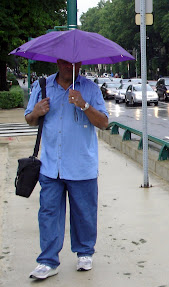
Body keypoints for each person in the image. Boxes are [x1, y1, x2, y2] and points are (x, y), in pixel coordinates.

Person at [25, 59, 109, 280]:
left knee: (84, 213)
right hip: (51, 165)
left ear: (80, 64)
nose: (68, 67)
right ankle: (47, 261)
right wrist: (36, 112)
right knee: (48, 213)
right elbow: (29, 120)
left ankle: (85, 252)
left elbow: (104, 123)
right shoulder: (42, 87)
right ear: (58, 62)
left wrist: (84, 105)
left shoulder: (90, 89)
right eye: (64, 62)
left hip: (82, 165)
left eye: (73, 63)